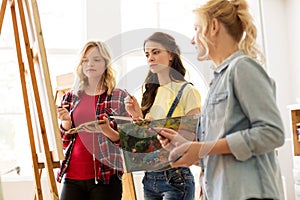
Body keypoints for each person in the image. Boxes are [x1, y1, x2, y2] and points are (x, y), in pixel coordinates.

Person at [158, 0, 285, 200]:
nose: (192, 40)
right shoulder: (217, 82)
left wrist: (201, 148)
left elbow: (272, 133)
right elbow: (220, 155)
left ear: (214, 27)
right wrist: (184, 146)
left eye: (197, 29)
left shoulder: (242, 68)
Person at [125, 32, 201, 200]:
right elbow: (145, 142)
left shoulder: (187, 91)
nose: (150, 58)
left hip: (176, 177)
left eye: (156, 52)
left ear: (171, 55)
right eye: (147, 54)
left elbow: (193, 137)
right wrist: (137, 117)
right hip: (150, 178)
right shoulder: (150, 93)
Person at [56, 41, 130, 200]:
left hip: (106, 177)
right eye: (85, 60)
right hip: (72, 175)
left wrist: (108, 131)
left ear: (105, 63)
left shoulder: (119, 96)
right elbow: (64, 141)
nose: (90, 64)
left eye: (96, 59)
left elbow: (129, 142)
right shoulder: (71, 96)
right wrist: (66, 122)